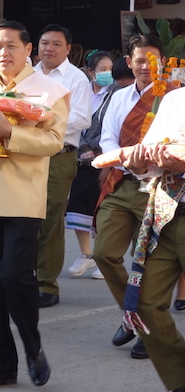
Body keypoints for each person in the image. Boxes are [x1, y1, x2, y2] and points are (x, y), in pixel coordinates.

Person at [0, 21, 69, 389]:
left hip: (23, 196)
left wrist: (11, 134)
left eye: (11, 46)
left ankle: (33, 349)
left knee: (14, 276)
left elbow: (53, 141)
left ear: (28, 49)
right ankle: (1, 365)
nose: (4, 53)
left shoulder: (50, 91)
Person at [95, 34, 172, 361]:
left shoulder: (174, 98)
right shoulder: (119, 96)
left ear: (163, 63)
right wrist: (128, 159)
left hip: (160, 187)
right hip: (123, 181)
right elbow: (108, 138)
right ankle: (133, 313)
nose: (145, 66)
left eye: (152, 60)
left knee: (152, 264)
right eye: (139, 60)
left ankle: (147, 327)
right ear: (129, 62)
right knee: (104, 253)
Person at [117, 82, 185, 392]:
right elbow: (150, 153)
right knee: (146, 305)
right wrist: (139, 162)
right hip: (167, 214)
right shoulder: (174, 98)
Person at [32, 24, 93, 308]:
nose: (49, 48)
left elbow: (82, 118)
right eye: (45, 43)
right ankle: (25, 278)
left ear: (68, 48)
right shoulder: (28, 75)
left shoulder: (76, 78)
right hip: (27, 152)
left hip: (58, 154)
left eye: (56, 44)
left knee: (50, 219)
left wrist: (42, 119)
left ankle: (48, 285)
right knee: (24, 217)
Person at [65, 56, 132, 281]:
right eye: (102, 69)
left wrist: (104, 152)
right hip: (83, 156)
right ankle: (87, 253)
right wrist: (83, 146)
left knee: (104, 210)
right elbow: (75, 119)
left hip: (107, 155)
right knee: (79, 205)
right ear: (90, 72)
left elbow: (111, 126)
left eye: (110, 68)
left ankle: (106, 257)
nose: (107, 73)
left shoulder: (116, 92)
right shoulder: (82, 91)